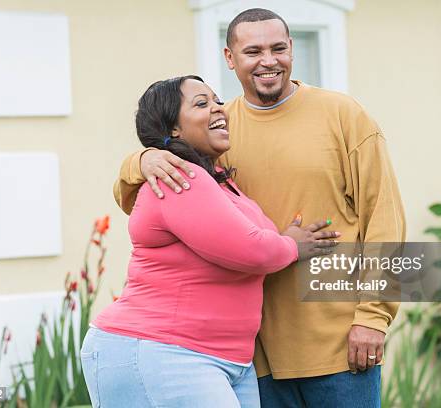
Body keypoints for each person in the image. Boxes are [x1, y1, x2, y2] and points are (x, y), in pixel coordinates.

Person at [114, 8, 406, 407]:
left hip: (339, 345)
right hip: (255, 356)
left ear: (291, 52)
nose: (268, 61)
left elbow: (386, 220)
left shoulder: (343, 115)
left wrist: (374, 318)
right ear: (230, 58)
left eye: (279, 48)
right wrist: (142, 159)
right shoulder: (218, 128)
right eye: (253, 51)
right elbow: (140, 193)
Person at [81, 75, 339, 408]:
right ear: (173, 128)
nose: (218, 108)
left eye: (217, 100)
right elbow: (254, 250)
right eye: (202, 104)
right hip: (163, 350)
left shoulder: (221, 185)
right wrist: (292, 245)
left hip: (223, 359)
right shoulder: (178, 177)